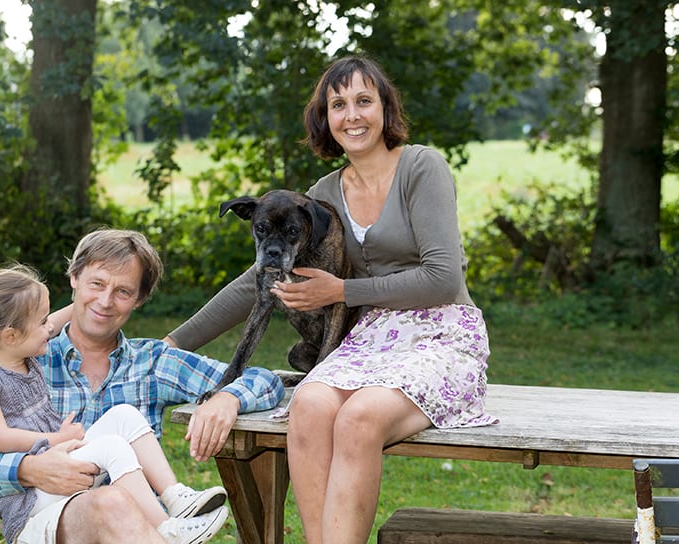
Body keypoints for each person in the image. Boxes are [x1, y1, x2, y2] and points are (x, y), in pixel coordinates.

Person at [164, 55, 497, 544]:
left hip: (441, 334)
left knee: (359, 419)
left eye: (364, 101)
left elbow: (443, 278)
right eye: (338, 105)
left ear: (385, 108)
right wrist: (175, 341)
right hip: (368, 341)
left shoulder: (421, 167)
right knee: (310, 405)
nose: (352, 115)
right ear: (325, 118)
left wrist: (342, 290)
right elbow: (259, 279)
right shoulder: (322, 195)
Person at [0, 230, 286, 544]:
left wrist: (227, 398)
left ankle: (177, 500)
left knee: (121, 447)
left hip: (138, 528)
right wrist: (27, 469)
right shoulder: (26, 357)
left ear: (139, 299)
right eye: (96, 284)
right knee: (111, 501)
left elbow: (267, 382)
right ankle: (169, 530)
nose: (105, 301)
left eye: (123, 291)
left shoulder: (153, 362)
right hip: (48, 520)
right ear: (74, 279)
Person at [0, 264, 229, 544]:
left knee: (125, 416)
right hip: (33, 499)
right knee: (112, 446)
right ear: (11, 336)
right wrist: (55, 439)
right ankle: (167, 529)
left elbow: (66, 313)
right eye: (43, 322)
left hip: (63, 468)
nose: (51, 328)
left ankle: (176, 497)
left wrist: (94, 294)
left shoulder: (25, 351)